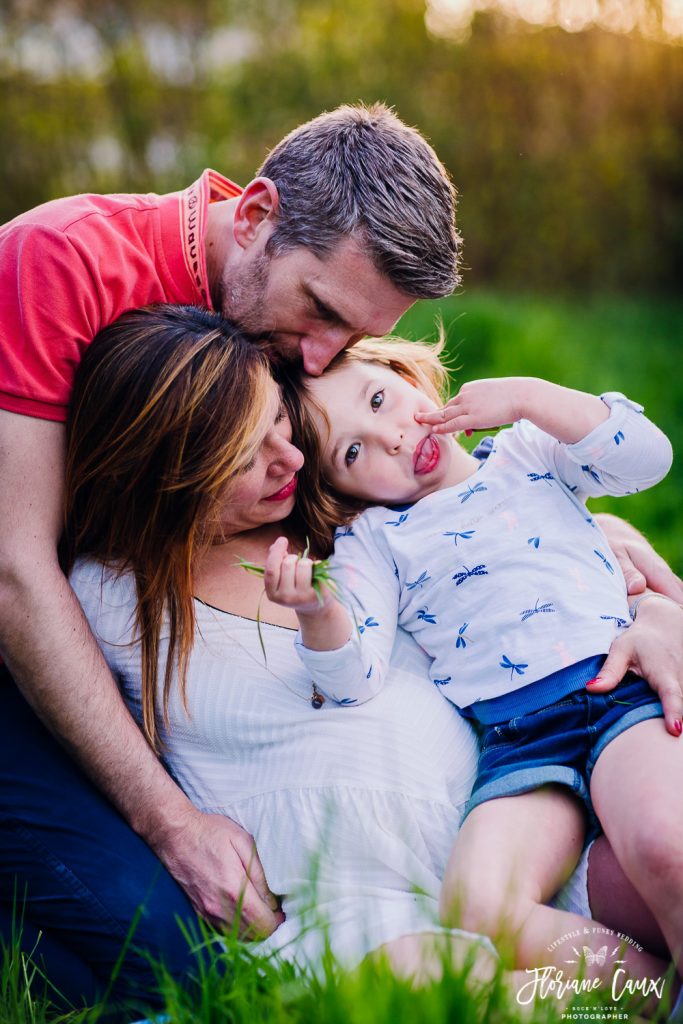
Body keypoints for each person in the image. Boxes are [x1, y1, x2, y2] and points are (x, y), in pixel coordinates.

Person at [0, 102, 680, 1005]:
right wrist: (168, 820)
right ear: (254, 216)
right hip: (23, 628)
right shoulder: (67, 262)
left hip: (502, 798)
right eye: (318, 313)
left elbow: (460, 537)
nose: (318, 356)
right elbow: (15, 568)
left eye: (351, 343)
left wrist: (614, 577)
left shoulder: (324, 429)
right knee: (160, 957)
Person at [64, 306, 671, 1001]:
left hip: (543, 806)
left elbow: (544, 529)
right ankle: (646, 1002)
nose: (287, 460)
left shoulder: (375, 502)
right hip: (394, 887)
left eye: (277, 428)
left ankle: (649, 999)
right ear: (173, 487)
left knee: (660, 855)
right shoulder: (115, 594)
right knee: (500, 995)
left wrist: (647, 601)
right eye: (245, 457)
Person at [262, 337, 683, 986]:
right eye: (352, 452)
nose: (391, 438)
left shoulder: (528, 450)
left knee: (665, 844)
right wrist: (317, 614)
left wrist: (527, 397)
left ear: (407, 375)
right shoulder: (375, 541)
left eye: (380, 400)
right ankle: (654, 992)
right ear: (338, 489)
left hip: (617, 693)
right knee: (476, 906)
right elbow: (352, 680)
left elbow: (647, 460)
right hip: (522, 743)